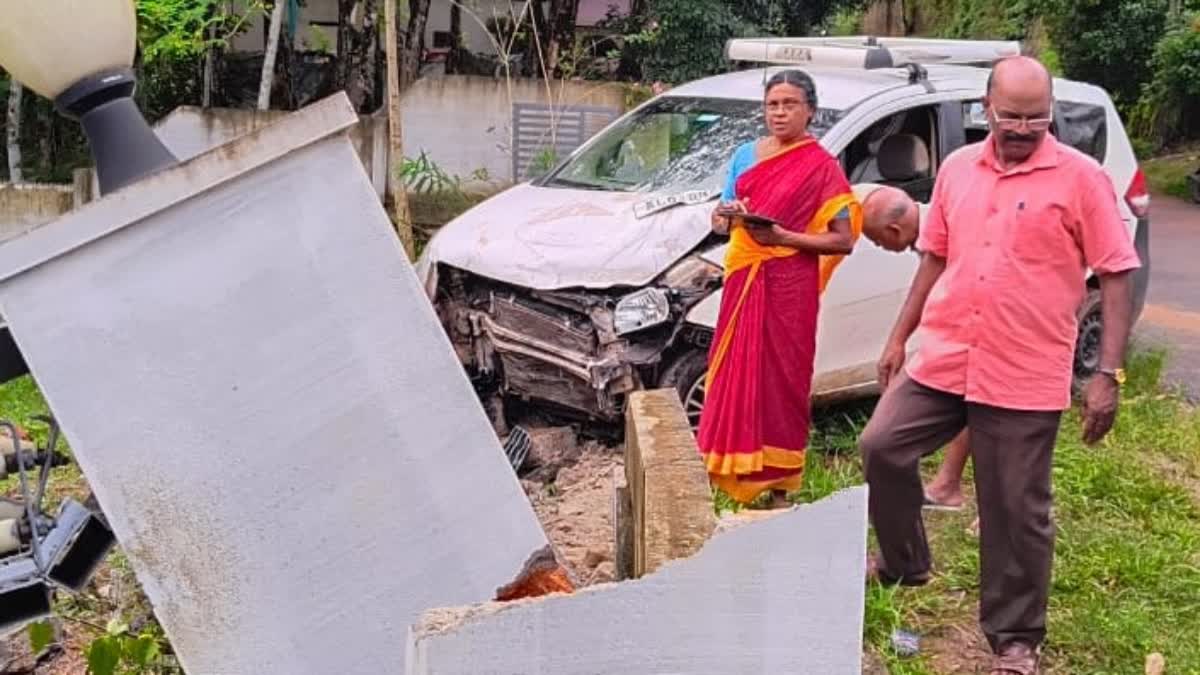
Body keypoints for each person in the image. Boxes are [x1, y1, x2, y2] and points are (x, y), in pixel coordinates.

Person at [857, 56, 1139, 675]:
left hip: (1024, 367)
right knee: (881, 445)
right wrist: (898, 338)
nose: (1022, 128)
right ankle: (907, 562)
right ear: (986, 108)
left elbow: (1116, 272)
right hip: (948, 353)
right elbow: (933, 258)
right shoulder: (958, 169)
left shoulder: (1081, 178)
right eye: (1010, 116)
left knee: (1016, 506)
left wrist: (1107, 374)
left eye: (1036, 118)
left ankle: (1015, 638)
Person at [698, 69, 862, 509]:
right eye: (773, 104)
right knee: (732, 370)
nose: (780, 112)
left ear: (810, 110)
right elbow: (719, 219)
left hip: (792, 285)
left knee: (784, 380)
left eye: (790, 104)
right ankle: (731, 473)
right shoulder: (744, 156)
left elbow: (843, 239)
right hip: (745, 275)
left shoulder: (821, 167)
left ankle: (779, 486)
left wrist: (785, 238)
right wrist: (726, 214)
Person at [856, 182, 972, 511]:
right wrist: (898, 340)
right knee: (972, 405)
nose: (879, 247)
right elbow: (924, 290)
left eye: (877, 240)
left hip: (992, 334)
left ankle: (999, 506)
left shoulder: (950, 224)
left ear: (893, 229)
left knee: (990, 413)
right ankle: (949, 484)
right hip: (955, 337)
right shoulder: (929, 236)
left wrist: (901, 341)